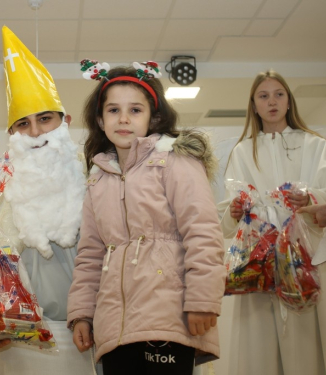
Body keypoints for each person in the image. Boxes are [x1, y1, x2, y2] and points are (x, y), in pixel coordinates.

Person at [67, 62, 226, 375]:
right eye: (113, 110)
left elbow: (204, 231)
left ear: (153, 117)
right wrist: (83, 314)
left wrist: (203, 300)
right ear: (100, 120)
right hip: (115, 329)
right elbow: (90, 255)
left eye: (135, 110)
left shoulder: (175, 161)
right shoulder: (97, 179)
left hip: (169, 318)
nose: (123, 118)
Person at [0, 26, 98, 375]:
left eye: (45, 119)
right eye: (23, 123)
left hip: (92, 340)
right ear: (12, 134)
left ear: (65, 122)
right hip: (19, 346)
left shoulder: (100, 180)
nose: (35, 133)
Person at [217, 70, 326, 375]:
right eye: (263, 96)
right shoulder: (243, 151)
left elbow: (323, 195)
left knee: (308, 340)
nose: (272, 101)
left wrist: (311, 199)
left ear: (289, 101)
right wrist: (237, 209)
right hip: (260, 259)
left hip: (308, 258)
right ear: (254, 105)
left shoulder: (315, 145)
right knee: (259, 345)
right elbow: (230, 211)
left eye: (279, 94)